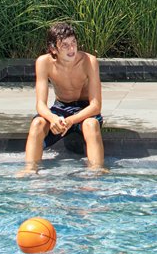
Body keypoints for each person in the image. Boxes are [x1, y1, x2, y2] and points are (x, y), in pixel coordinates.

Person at [21, 22, 104, 174]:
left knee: (91, 125)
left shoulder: (89, 61)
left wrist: (71, 120)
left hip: (85, 108)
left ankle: (96, 171)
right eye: (65, 45)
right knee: (37, 123)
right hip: (61, 107)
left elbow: (96, 106)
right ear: (53, 48)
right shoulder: (43, 62)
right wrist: (52, 118)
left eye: (73, 43)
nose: (71, 49)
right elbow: (40, 104)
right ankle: (30, 170)